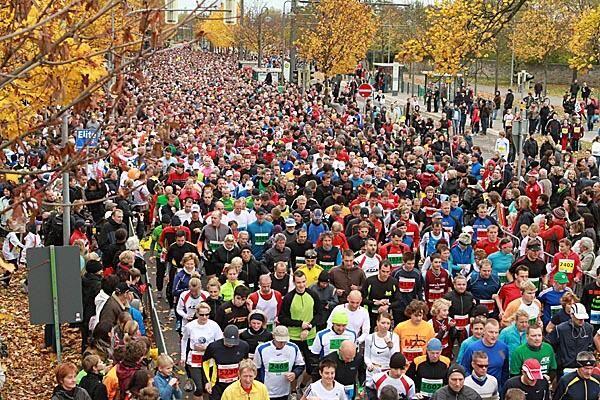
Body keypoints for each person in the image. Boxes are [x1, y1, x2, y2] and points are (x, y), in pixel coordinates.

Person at [179, 302, 223, 399]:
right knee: (198, 388)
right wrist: (183, 357)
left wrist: (207, 348)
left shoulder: (214, 325)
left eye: (207, 314)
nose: (204, 317)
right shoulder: (190, 326)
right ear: (197, 314)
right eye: (202, 315)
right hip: (194, 358)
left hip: (209, 360)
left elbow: (220, 342)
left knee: (208, 387)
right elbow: (184, 340)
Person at [254, 325, 305, 400]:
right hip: (266, 392)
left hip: (284, 392)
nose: (282, 344)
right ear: (273, 336)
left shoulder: (293, 347)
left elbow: (300, 365)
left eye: (284, 341)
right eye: (280, 341)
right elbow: (256, 370)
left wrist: (294, 373)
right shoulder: (262, 349)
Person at [202, 324, 250, 400]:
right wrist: (207, 381)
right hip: (217, 385)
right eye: (228, 341)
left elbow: (246, 364)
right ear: (223, 335)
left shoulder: (244, 346)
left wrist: (246, 380)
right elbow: (205, 363)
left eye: (233, 342)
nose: (230, 344)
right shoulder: (213, 347)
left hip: (236, 385)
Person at [547, 303, 594, 372]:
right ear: (571, 315)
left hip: (582, 367)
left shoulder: (589, 328)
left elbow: (590, 346)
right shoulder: (561, 329)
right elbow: (550, 344)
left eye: (583, 318)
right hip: (564, 367)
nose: (581, 320)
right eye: (579, 318)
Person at [461, 319, 509, 387]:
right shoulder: (472, 348)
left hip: (496, 388)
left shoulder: (503, 348)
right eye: (491, 332)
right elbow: (464, 369)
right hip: (476, 387)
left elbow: (505, 369)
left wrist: (502, 387)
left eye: (496, 332)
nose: (494, 335)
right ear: (484, 331)